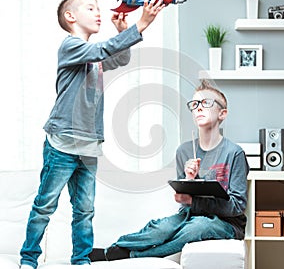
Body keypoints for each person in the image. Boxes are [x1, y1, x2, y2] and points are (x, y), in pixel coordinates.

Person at [19, 0, 165, 269]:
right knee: (44, 206)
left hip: (88, 145)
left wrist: (123, 31)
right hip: (62, 143)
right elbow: (102, 49)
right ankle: (28, 259)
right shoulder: (70, 46)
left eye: (98, 8)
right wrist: (140, 25)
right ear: (70, 16)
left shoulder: (94, 54)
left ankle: (81, 259)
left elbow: (118, 59)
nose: (98, 13)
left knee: (84, 209)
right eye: (90, 8)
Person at [89, 79, 250, 261]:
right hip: (190, 214)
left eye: (206, 103)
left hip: (227, 223)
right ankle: (113, 249)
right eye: (195, 104)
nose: (198, 108)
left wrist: (192, 201)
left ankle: (124, 255)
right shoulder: (184, 151)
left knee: (198, 226)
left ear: (222, 113)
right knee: (161, 228)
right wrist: (189, 179)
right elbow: (182, 199)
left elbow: (237, 206)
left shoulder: (234, 153)